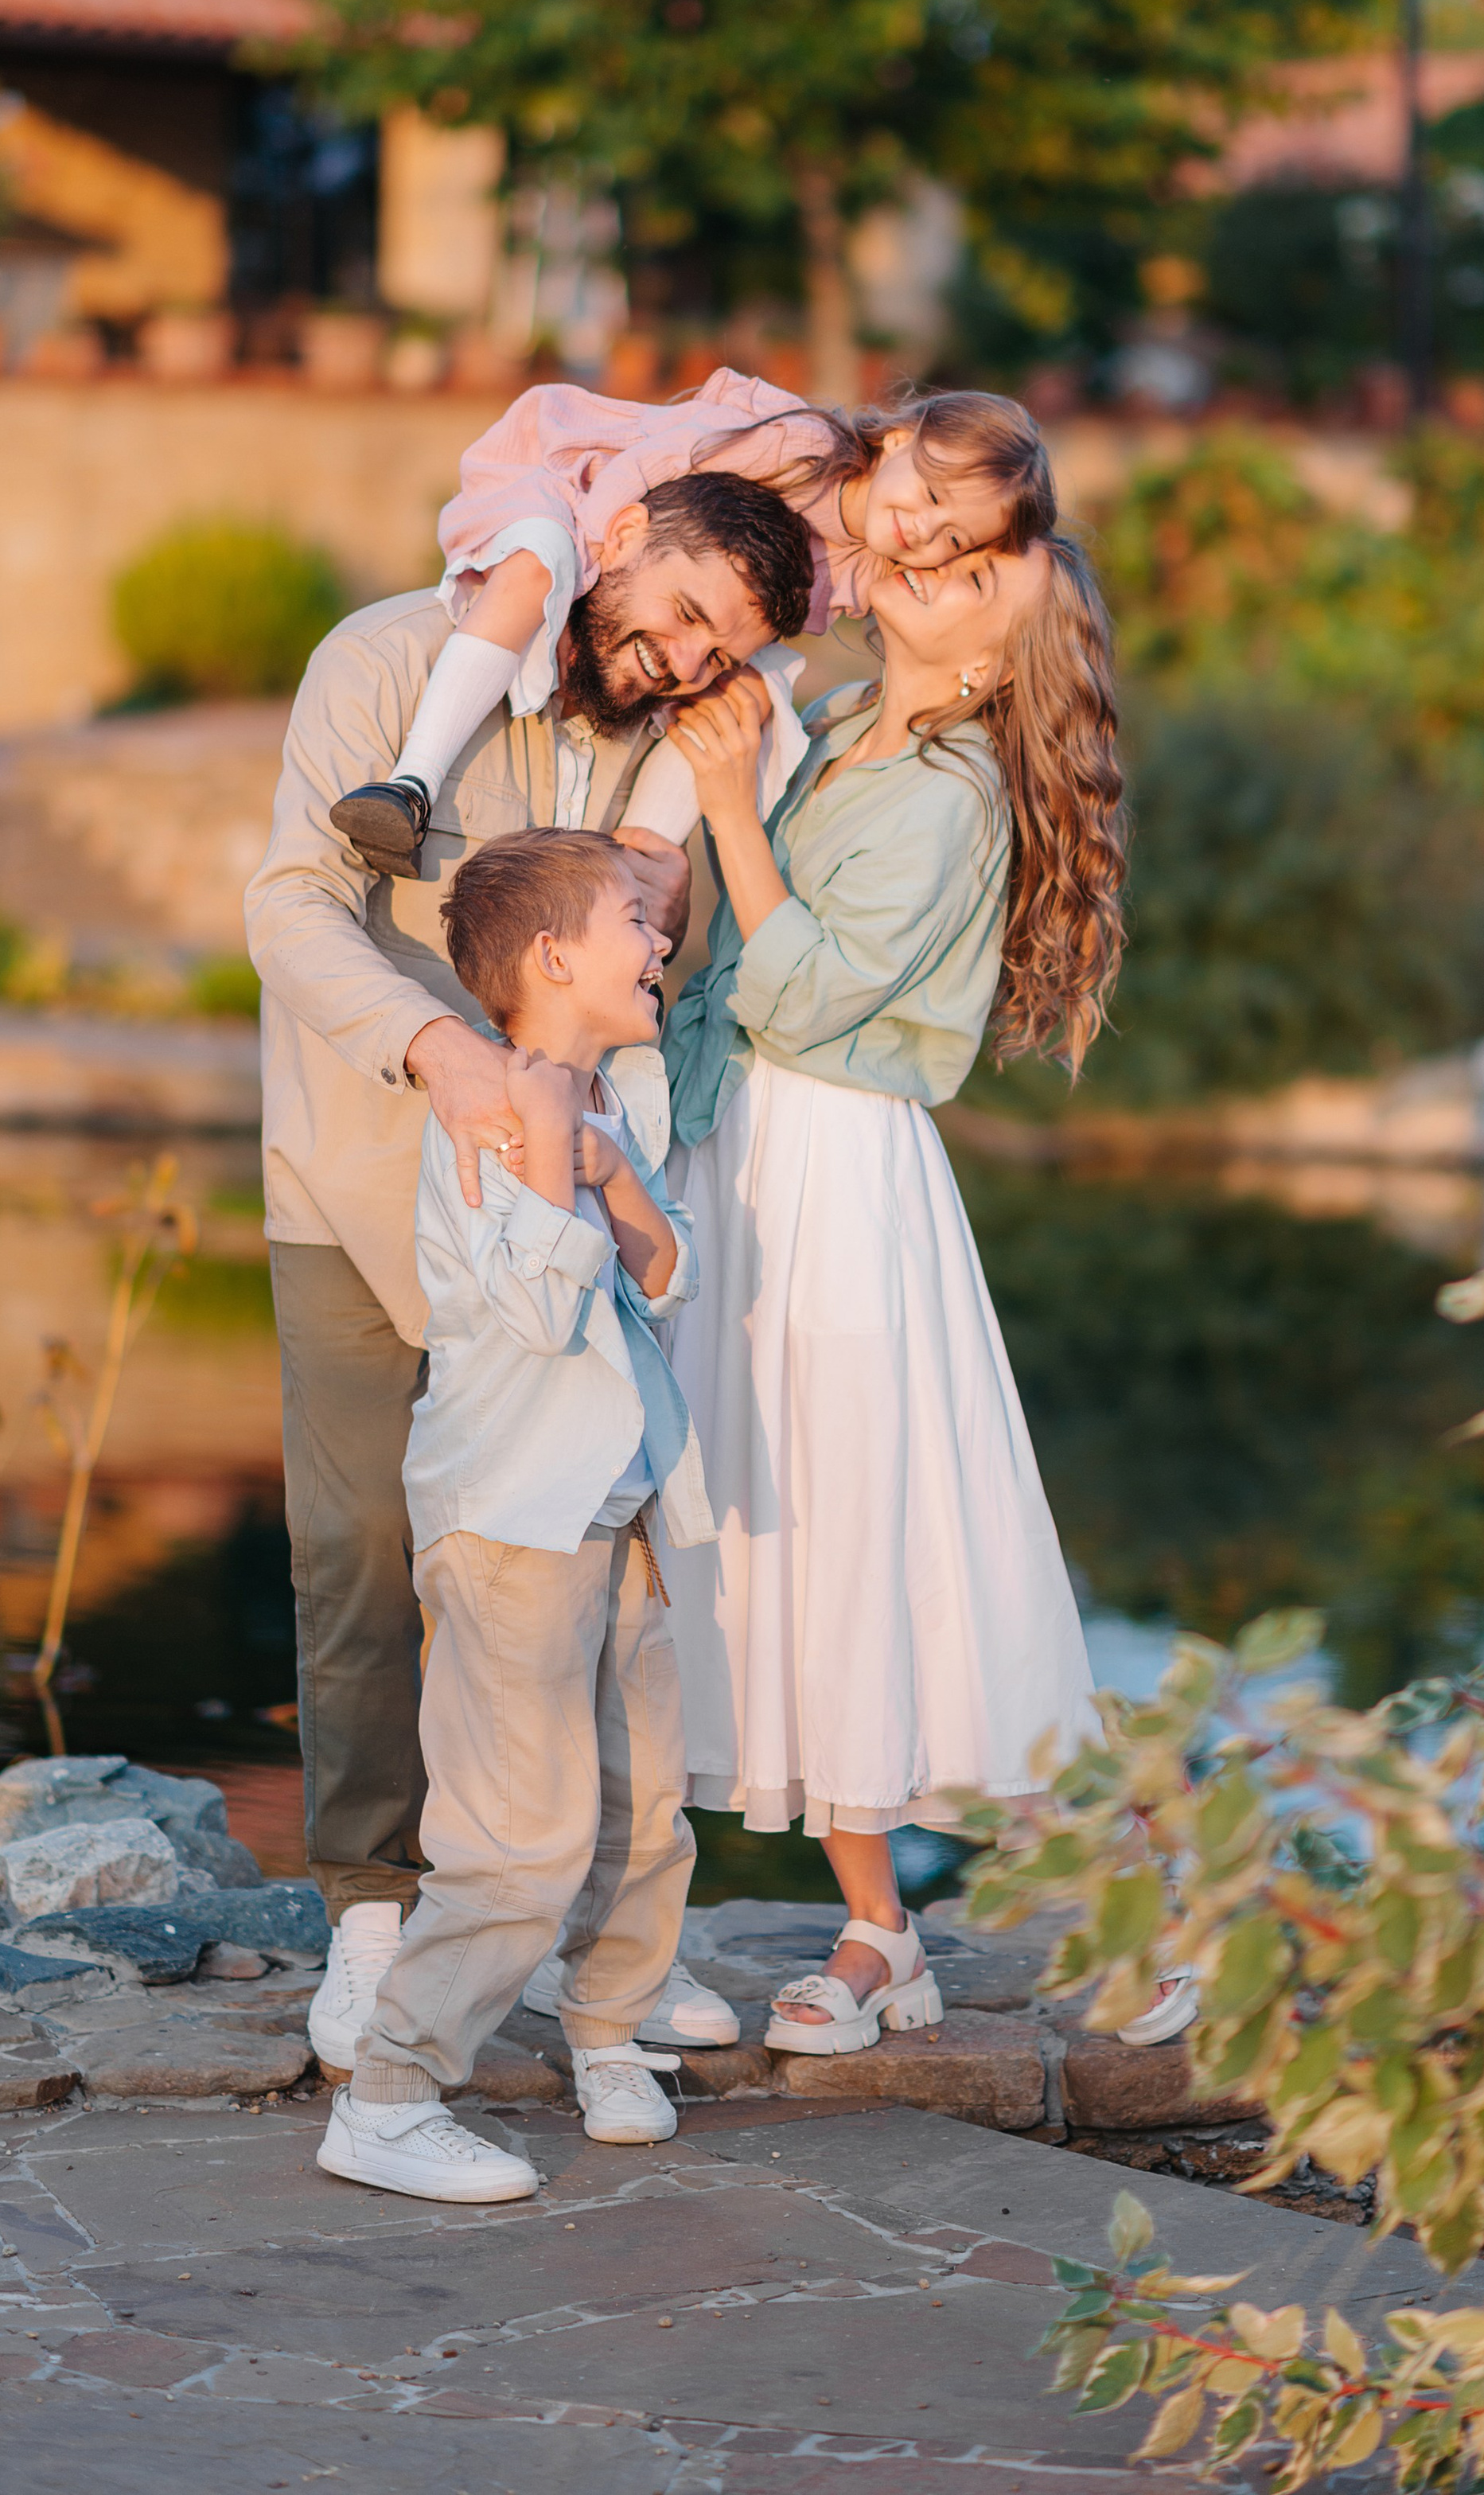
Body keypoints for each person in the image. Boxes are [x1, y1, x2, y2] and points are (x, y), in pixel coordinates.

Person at [243, 470, 816, 2077]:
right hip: (357, 1176)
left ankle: (594, 1941)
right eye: (680, 609)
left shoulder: (678, 735)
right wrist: (440, 1050)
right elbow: (290, 905)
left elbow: (666, 964)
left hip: (562, 1222)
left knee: (595, 1568)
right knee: (357, 1555)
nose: (683, 656)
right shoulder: (385, 658)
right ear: (615, 539)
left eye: (722, 646)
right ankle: (374, 1906)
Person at [658, 528, 1128, 2053]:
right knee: (784, 1538)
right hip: (746, 1147)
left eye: (971, 573)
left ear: (996, 656)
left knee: (885, 1531)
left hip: (842, 1169)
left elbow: (803, 991)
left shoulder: (956, 795)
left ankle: (1140, 1908)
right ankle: (883, 1928)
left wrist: (732, 805)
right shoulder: (847, 715)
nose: (929, 567)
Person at [320, 829, 707, 2202]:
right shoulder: (489, 1112)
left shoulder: (612, 1097)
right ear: (553, 957)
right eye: (632, 921)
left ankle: (605, 2029)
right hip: (510, 1521)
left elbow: (668, 1275)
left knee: (644, 1806)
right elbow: (542, 1311)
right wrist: (556, 1151)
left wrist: (610, 1171)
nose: (658, 941)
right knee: (516, 1833)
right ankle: (389, 2093)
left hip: (619, 1505)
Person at [326, 368, 1056, 879]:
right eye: (932, 494)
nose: (923, 529)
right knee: (542, 564)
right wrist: (596, 566)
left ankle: (634, 869)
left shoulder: (871, 570)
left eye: (954, 538)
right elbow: (652, 468)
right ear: (898, 440)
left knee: (757, 690)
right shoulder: (804, 448)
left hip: (666, 575)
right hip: (589, 494)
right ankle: (412, 784)